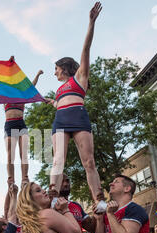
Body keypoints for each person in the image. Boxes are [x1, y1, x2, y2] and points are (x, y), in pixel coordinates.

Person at [46, 2, 106, 214]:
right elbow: (58, 104)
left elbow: (86, 49)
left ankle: (98, 199)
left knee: (88, 161)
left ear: (63, 68)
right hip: (60, 120)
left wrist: (91, 23)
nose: (54, 73)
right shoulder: (59, 90)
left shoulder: (80, 78)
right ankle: (52, 196)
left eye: (56, 69)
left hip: (79, 118)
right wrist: (49, 102)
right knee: (58, 159)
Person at [4, 65, 43, 187]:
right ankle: (11, 179)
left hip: (21, 124)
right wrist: (10, 66)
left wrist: (37, 75)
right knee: (10, 155)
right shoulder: (5, 97)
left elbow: (31, 87)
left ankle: (25, 178)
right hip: (10, 125)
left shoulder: (23, 97)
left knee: (23, 153)